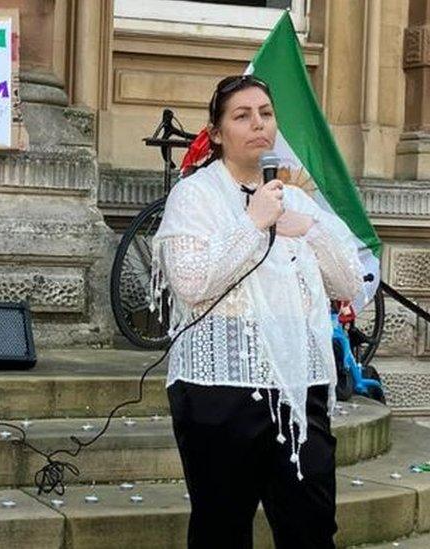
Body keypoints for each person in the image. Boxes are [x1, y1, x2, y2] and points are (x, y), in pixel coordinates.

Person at [151, 74, 364, 548]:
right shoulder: (195, 196)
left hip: (297, 391)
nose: (258, 124)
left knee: (311, 527)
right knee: (221, 529)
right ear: (218, 131)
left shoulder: (294, 197)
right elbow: (192, 284)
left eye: (265, 113)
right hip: (219, 393)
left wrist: (304, 225)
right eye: (242, 116)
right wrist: (253, 223)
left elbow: (350, 280)